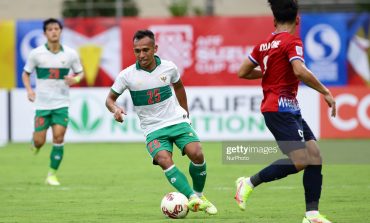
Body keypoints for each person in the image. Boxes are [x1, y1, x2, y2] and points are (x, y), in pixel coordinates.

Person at [234, 1, 336, 223]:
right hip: (278, 108)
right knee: (300, 160)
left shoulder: (263, 45)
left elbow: (242, 72)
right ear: (297, 20)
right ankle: (248, 182)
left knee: (315, 156)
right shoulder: (292, 41)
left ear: (274, 20)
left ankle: (311, 215)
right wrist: (325, 91)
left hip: (289, 108)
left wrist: (271, 72)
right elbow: (299, 71)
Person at [105, 30, 217, 215]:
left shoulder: (169, 67)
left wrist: (185, 113)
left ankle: (199, 194)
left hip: (176, 121)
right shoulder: (127, 75)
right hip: (153, 129)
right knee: (164, 160)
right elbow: (109, 99)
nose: (141, 55)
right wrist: (115, 109)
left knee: (196, 153)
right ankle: (192, 198)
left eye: (145, 50)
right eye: (137, 51)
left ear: (155, 48)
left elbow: (179, 87)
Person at [22, 18, 84, 186]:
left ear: (61, 31)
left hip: (61, 104)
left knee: (58, 137)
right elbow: (26, 73)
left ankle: (51, 175)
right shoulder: (36, 54)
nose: (53, 31)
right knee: (40, 141)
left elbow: (80, 73)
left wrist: (75, 80)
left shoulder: (70, 54)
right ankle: (35, 144)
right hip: (42, 105)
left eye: (56, 28)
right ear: (44, 33)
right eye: (50, 29)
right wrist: (29, 90)